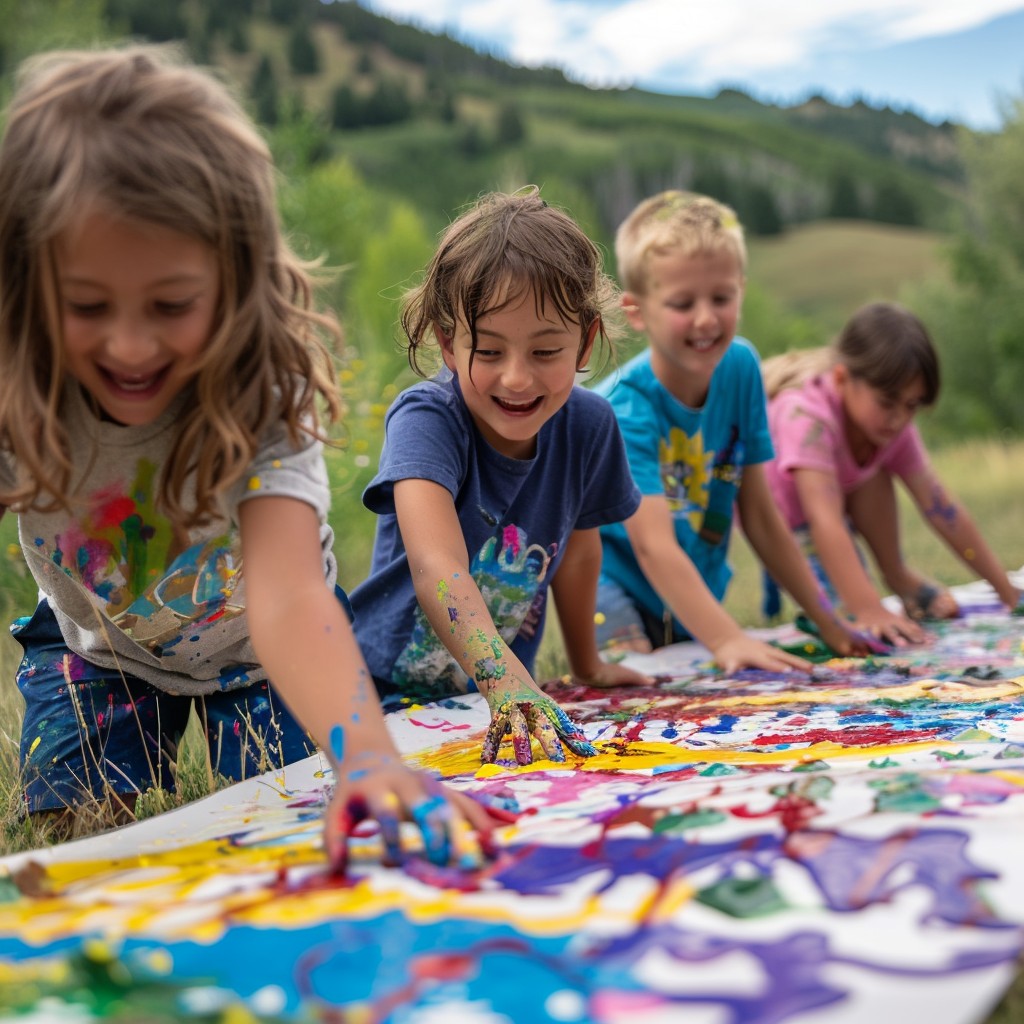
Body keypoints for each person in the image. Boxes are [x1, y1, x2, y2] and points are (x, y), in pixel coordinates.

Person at [0, 45, 496, 871]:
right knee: (80, 852)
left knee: (288, 835)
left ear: (236, 281)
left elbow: (290, 593)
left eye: (171, 304)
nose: (129, 344)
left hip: (264, 656)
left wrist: (369, 758)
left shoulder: (261, 389)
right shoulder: (19, 386)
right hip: (97, 647)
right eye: (86, 305)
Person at [350, 187, 648, 765]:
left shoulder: (589, 425)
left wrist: (585, 664)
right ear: (448, 343)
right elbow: (436, 561)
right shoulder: (427, 419)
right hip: (382, 699)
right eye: (488, 351)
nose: (516, 379)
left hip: (503, 707)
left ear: (586, 340)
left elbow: (582, 554)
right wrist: (503, 680)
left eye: (545, 352)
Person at [594, 190, 866, 670]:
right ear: (637, 311)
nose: (705, 318)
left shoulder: (740, 366)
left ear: (741, 287)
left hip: (697, 575)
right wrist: (726, 639)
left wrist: (829, 620)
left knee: (700, 675)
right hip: (616, 586)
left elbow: (760, 514)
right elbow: (651, 546)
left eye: (721, 297)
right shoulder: (625, 409)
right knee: (638, 686)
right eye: (682, 302)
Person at [762, 301, 1020, 642]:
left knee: (878, 469)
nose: (899, 418)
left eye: (912, 405)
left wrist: (1005, 590)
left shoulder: (889, 425)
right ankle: (860, 599)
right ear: (842, 379)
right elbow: (824, 520)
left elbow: (941, 506)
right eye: (887, 402)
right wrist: (868, 608)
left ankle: (896, 573)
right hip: (787, 524)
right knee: (842, 618)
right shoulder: (805, 417)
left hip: (839, 501)